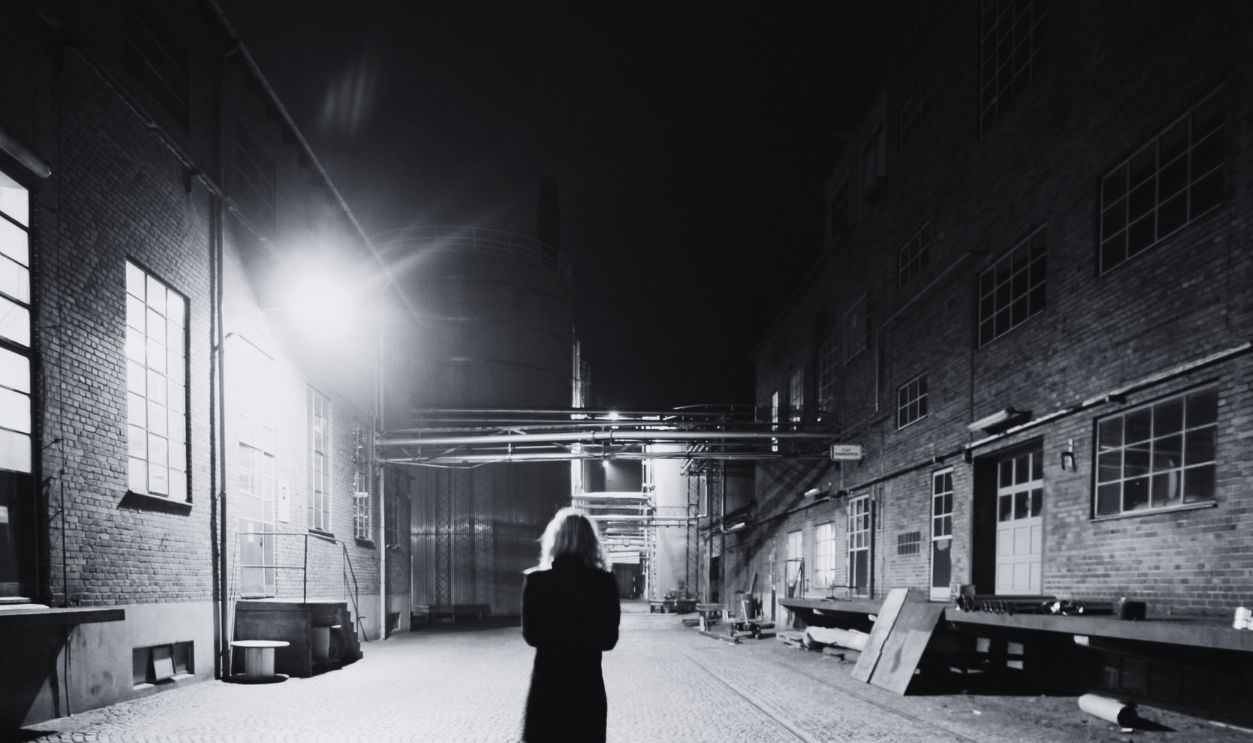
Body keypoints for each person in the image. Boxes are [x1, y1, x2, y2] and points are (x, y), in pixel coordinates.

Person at [521, 507, 621, 743]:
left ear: (554, 541)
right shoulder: (604, 583)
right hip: (587, 688)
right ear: (591, 542)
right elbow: (609, 640)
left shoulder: (536, 581)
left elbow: (531, 637)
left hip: (547, 687)